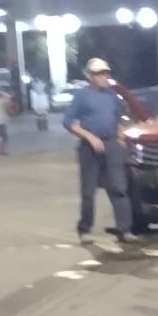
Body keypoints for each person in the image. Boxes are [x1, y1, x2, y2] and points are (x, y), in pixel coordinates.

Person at [63, 58, 137, 245]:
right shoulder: (82, 96)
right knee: (88, 191)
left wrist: (120, 138)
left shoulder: (111, 96)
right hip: (90, 148)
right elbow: (69, 122)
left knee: (119, 188)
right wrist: (90, 137)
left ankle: (125, 229)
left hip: (112, 145)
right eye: (99, 74)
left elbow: (119, 118)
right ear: (90, 76)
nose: (104, 77)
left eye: (105, 73)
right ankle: (85, 228)